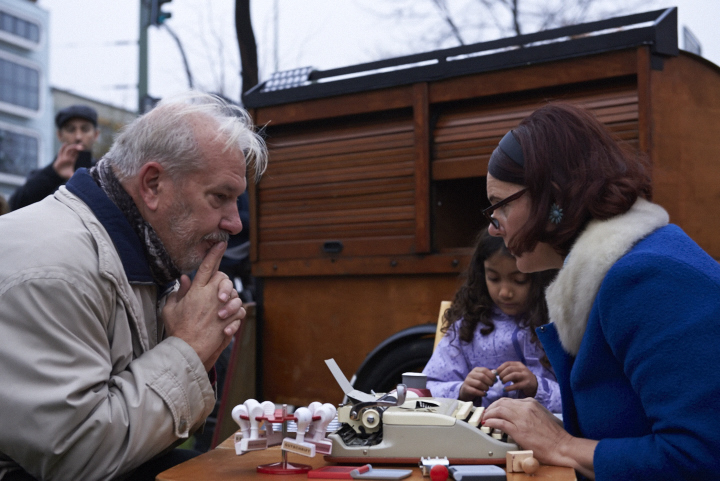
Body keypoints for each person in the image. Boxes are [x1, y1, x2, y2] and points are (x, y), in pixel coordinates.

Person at [0, 91, 267, 480]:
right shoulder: (56, 272)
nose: (235, 222)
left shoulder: (146, 256)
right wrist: (188, 349)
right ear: (153, 184)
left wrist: (197, 346)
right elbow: (78, 457)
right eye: (220, 198)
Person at [479, 103, 720, 480]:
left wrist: (560, 444)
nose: (494, 227)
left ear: (553, 197)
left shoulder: (647, 278)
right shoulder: (631, 265)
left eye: (500, 206)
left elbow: (699, 457)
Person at [422, 230, 560, 412]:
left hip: (545, 435)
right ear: (481, 274)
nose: (504, 292)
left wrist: (537, 387)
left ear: (541, 275)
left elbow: (583, 398)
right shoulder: (467, 326)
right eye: (493, 278)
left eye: (519, 280)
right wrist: (462, 390)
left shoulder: (558, 326)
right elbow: (425, 390)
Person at [9, 104, 100, 211]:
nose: (78, 137)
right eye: (71, 130)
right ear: (59, 135)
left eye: (85, 129)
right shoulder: (43, 176)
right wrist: (53, 173)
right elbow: (15, 206)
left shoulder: (105, 175)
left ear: (96, 135)